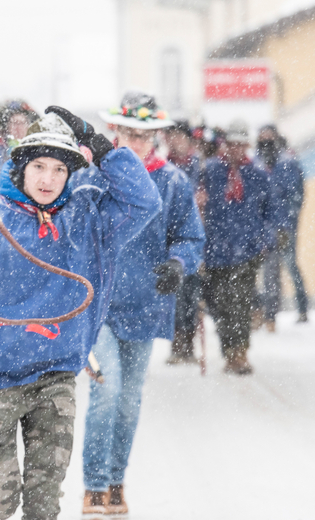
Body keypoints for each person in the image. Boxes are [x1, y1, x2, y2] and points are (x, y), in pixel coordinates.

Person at [0, 108, 161, 520]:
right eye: (39, 167)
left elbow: (144, 201)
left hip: (55, 374)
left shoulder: (87, 217)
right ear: (20, 167)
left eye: (60, 169)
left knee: (44, 502)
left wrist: (103, 148)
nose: (48, 179)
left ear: (70, 174)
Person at [77, 93, 204, 515]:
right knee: (106, 389)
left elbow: (191, 237)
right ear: (115, 132)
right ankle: (93, 484)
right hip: (98, 306)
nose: (137, 141)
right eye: (130, 133)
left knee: (129, 400)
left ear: (157, 137)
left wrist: (177, 262)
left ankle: (116, 481)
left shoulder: (172, 182)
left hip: (147, 303)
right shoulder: (93, 177)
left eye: (145, 135)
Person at [200, 120, 279, 375]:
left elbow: (271, 211)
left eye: (240, 145)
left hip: (247, 250)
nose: (235, 150)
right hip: (214, 249)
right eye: (231, 144)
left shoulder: (257, 174)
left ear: (247, 145)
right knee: (219, 304)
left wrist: (265, 239)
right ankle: (228, 349)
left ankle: (240, 352)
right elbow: (197, 205)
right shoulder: (210, 170)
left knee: (241, 302)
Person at [257, 125, 309, 330]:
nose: (265, 142)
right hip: (266, 227)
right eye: (263, 138)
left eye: (269, 138)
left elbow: (296, 195)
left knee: (290, 264)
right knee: (269, 270)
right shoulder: (258, 163)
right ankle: (269, 313)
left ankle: (302, 307)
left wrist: (287, 223)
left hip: (285, 225)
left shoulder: (288, 163)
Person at [163, 120, 205, 364]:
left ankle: (188, 342)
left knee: (192, 293)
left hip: (197, 237)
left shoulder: (200, 167)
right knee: (177, 293)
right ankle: (177, 342)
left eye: (180, 136)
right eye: (172, 136)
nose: (176, 141)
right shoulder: (165, 167)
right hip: (173, 239)